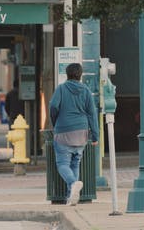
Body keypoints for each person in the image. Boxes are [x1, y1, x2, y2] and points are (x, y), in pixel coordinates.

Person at [49, 63, 99, 206]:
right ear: (80, 74)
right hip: (81, 133)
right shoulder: (86, 91)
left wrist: (55, 121)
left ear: (67, 74)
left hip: (63, 131)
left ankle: (73, 184)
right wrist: (95, 135)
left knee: (62, 164)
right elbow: (92, 114)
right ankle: (71, 197)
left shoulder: (61, 89)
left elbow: (53, 106)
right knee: (75, 163)